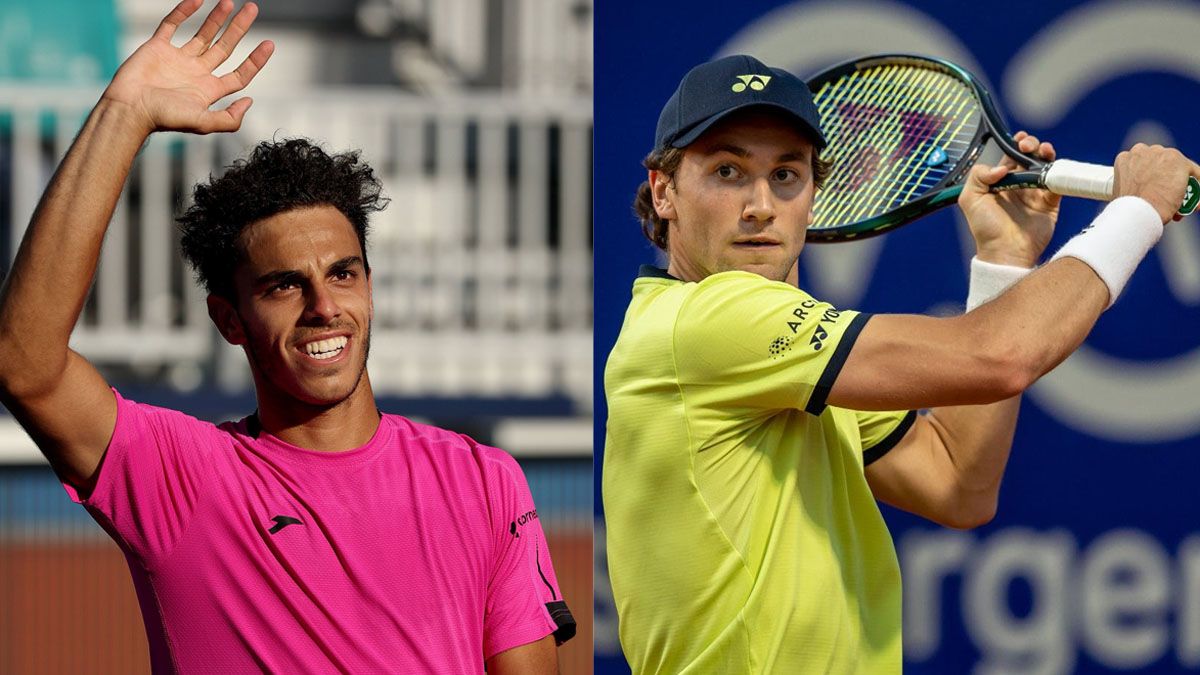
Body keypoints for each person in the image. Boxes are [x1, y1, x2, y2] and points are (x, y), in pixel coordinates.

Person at [0, 1, 574, 672]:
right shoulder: (181, 476)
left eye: (343, 273)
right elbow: (25, 364)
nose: (324, 306)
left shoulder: (484, 479)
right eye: (284, 285)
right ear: (229, 319)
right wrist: (124, 112)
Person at [602, 53, 1199, 674]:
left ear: (814, 194)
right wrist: (1136, 211)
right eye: (727, 171)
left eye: (786, 175)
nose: (760, 204)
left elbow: (957, 483)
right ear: (663, 190)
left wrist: (1005, 260)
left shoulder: (774, 358)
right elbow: (1000, 355)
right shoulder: (706, 322)